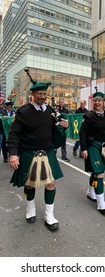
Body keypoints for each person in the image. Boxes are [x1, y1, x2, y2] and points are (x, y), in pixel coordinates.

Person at [7, 81, 69, 231]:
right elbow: (14, 133)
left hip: (47, 152)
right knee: (29, 184)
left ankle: (49, 215)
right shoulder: (23, 111)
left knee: (51, 183)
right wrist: (13, 154)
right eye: (39, 94)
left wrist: (63, 127)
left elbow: (56, 132)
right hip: (29, 152)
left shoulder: (50, 111)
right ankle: (30, 209)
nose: (42, 97)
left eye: (44, 94)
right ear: (32, 95)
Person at [57, 98, 70, 162]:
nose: (61, 103)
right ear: (59, 103)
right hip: (57, 128)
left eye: (62, 102)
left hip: (64, 128)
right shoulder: (56, 109)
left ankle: (64, 156)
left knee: (63, 143)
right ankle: (53, 155)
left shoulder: (66, 110)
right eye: (60, 102)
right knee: (55, 141)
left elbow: (69, 118)